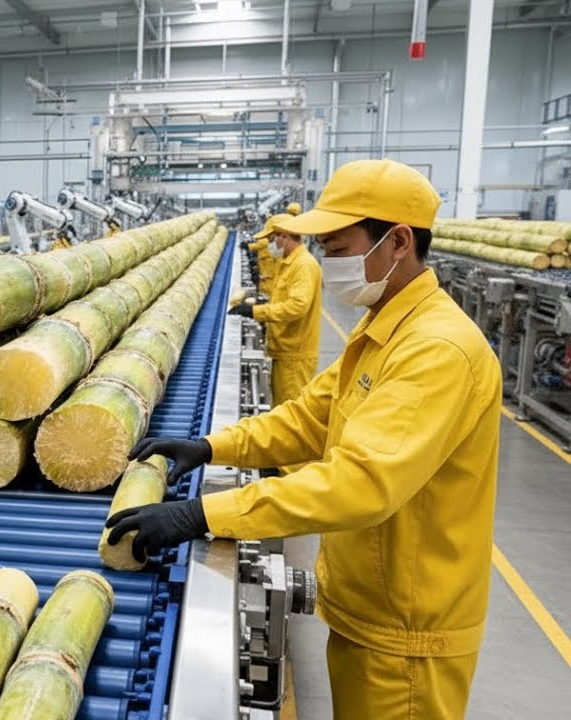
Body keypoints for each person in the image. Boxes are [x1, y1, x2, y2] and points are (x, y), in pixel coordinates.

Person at [107, 159, 501, 720]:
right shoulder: (382, 328)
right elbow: (309, 420)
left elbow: (359, 484)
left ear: (398, 242)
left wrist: (204, 514)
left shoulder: (437, 349)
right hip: (366, 609)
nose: (329, 262)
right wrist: (215, 447)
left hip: (407, 636)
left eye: (339, 248)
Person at [230, 215, 322, 407]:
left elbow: (298, 306)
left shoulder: (303, 265)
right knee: (281, 406)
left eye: (271, 239)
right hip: (285, 351)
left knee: (291, 414)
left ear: (284, 236)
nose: (269, 244)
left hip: (294, 356)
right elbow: (281, 297)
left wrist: (256, 311)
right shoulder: (288, 262)